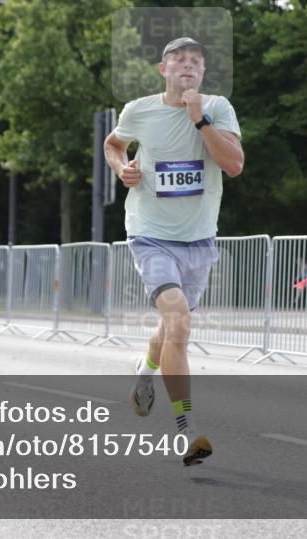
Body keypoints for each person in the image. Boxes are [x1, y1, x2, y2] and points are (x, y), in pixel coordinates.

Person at [104, 36, 244, 466]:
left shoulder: (217, 108)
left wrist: (199, 120)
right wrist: (122, 167)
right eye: (179, 60)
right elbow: (113, 144)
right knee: (178, 318)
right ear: (163, 70)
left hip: (198, 237)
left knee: (171, 328)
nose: (188, 66)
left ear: (202, 72)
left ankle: (145, 374)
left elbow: (234, 165)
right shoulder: (138, 110)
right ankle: (188, 428)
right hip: (150, 234)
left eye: (196, 61)